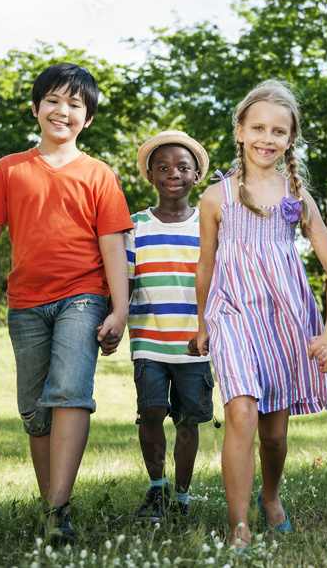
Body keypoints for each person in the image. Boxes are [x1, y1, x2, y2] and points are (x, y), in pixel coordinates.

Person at [0, 63, 133, 544]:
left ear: (86, 119)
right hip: (25, 303)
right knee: (34, 408)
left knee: (69, 391)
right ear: (35, 107)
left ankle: (59, 511)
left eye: (74, 104)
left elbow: (113, 247)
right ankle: (51, 509)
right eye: (53, 100)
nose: (62, 110)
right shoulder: (10, 168)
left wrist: (119, 308)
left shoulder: (99, 174)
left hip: (83, 297)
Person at [193, 80, 327, 549]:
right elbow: (205, 265)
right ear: (239, 131)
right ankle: (238, 526)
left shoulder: (296, 198)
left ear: (290, 140)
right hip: (233, 313)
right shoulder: (215, 198)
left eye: (278, 131)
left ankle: (271, 494)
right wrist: (203, 322)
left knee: (275, 436)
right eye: (257, 127)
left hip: (285, 319)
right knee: (241, 412)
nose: (267, 137)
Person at [126, 131, 214, 522]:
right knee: (151, 411)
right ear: (150, 175)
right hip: (148, 337)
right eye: (163, 167)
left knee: (188, 420)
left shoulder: (210, 226)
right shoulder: (134, 226)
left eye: (182, 167)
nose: (172, 173)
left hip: (195, 342)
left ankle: (182, 493)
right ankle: (156, 488)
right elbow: (124, 281)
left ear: (196, 175)